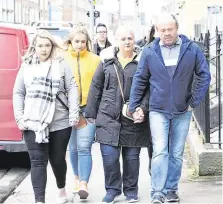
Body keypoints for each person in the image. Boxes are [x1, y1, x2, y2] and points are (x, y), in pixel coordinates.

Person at [129, 13, 211, 204]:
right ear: (157, 31)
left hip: (183, 109)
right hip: (158, 109)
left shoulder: (192, 50)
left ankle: (171, 189)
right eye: (162, 30)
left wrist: (194, 102)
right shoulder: (150, 51)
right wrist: (133, 105)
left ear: (177, 28)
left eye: (170, 29)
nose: (166, 33)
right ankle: (157, 192)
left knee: (176, 152)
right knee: (159, 151)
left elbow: (204, 75)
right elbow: (140, 79)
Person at [85, 25, 151, 203]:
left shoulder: (142, 62)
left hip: (132, 118)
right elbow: (96, 86)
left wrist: (142, 109)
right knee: (110, 157)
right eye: (123, 39)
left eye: (129, 38)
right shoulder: (106, 61)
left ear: (134, 40)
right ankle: (112, 190)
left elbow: (148, 90)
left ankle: (130, 190)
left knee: (131, 158)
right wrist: (90, 113)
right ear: (116, 41)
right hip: (108, 117)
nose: (126, 42)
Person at [13, 29, 80, 204]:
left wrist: (74, 113)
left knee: (57, 160)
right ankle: (39, 200)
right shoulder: (27, 66)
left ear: (52, 46)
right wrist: (20, 118)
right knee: (38, 162)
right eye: (40, 45)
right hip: (33, 123)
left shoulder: (61, 64)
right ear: (34, 46)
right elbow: (18, 92)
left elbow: (72, 88)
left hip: (60, 122)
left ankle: (61, 188)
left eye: (47, 45)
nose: (44, 49)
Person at [63, 23, 100, 200]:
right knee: (73, 148)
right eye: (76, 41)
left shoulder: (95, 60)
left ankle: (84, 183)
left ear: (87, 42)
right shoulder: (62, 59)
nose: (79, 44)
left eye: (83, 41)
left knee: (84, 147)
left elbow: (99, 86)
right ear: (71, 41)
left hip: (88, 109)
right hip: (67, 111)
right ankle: (76, 178)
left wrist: (92, 110)